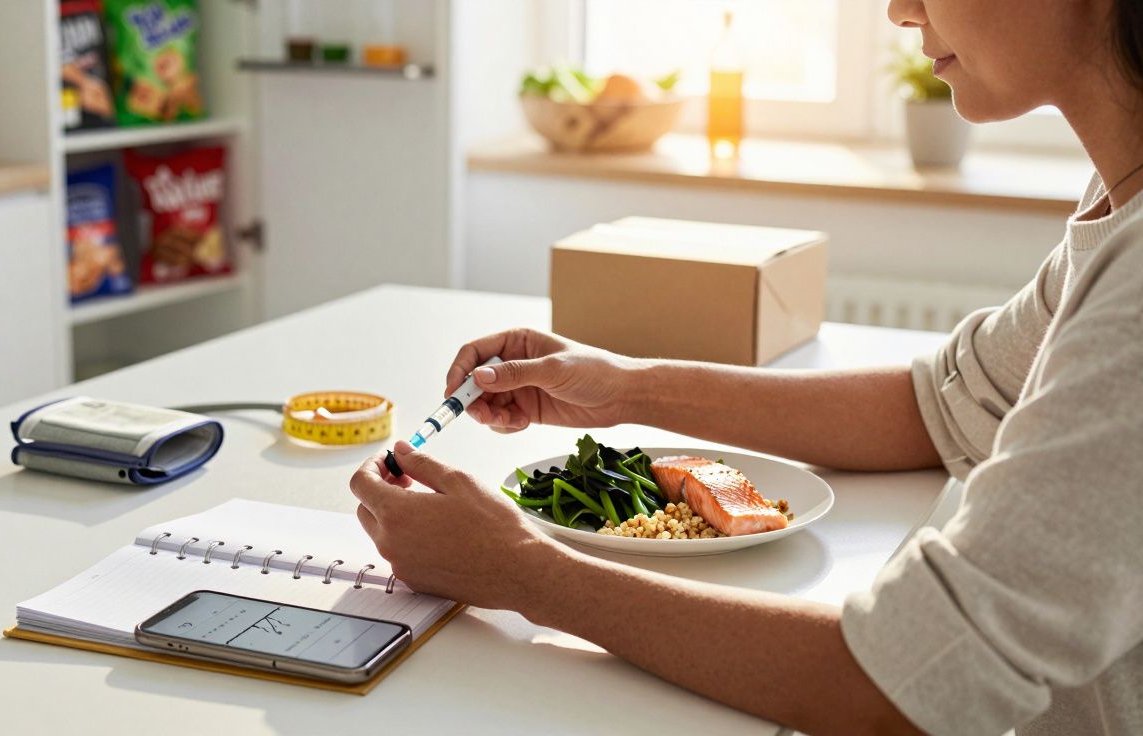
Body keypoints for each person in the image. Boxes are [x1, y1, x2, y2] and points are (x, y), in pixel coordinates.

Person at [350, 0, 1143, 732]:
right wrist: (626, 388)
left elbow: (903, 682)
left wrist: (521, 571)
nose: (900, 9)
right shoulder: (1116, 203)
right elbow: (941, 404)